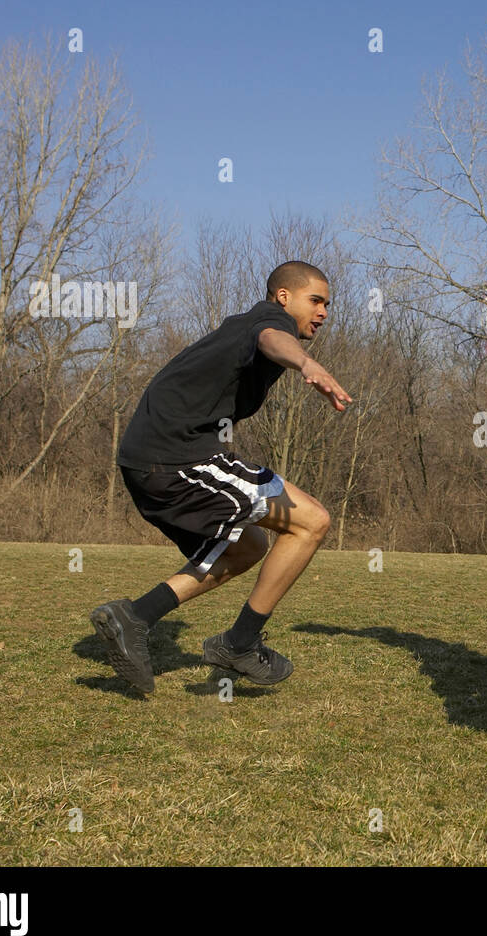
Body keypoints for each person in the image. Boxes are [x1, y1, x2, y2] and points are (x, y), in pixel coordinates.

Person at [89, 261, 352, 693]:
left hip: (147, 461)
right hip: (176, 459)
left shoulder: (242, 326)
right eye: (316, 301)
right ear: (283, 297)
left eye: (328, 304)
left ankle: (134, 617)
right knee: (312, 521)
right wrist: (306, 364)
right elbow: (272, 339)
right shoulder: (267, 321)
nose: (324, 312)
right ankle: (240, 644)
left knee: (247, 546)